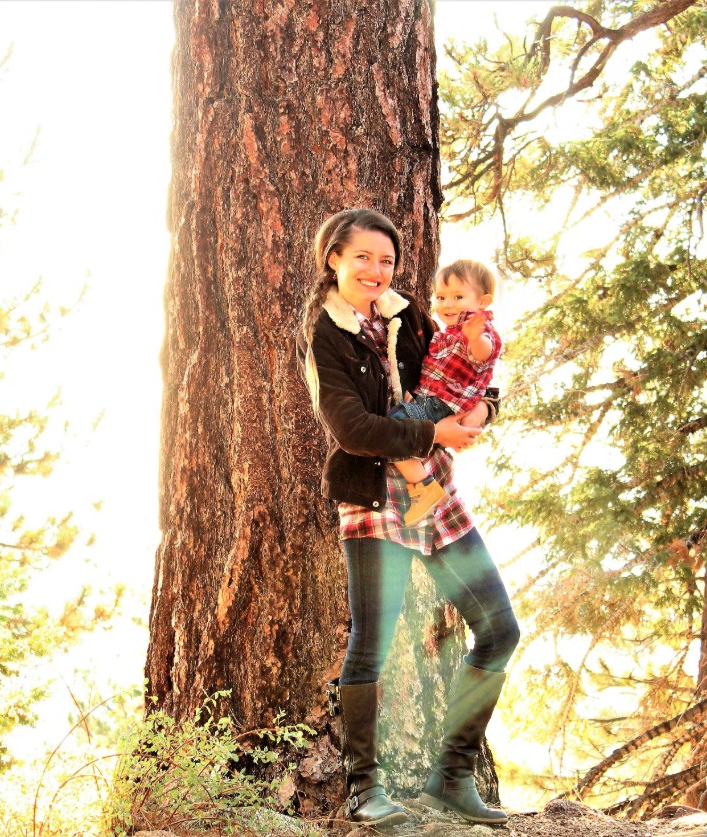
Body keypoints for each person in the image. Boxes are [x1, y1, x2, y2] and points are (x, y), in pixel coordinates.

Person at [297, 208, 520, 827]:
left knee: (499, 630)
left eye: (387, 260)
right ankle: (364, 791)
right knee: (371, 646)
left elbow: (469, 371)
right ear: (334, 259)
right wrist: (434, 433)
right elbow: (352, 429)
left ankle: (452, 777)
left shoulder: (408, 315)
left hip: (434, 493)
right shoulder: (326, 336)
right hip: (374, 498)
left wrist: (484, 411)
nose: (376, 270)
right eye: (362, 257)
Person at [388, 259, 502, 525]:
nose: (448, 304)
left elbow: (483, 354)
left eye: (458, 297)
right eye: (441, 297)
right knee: (399, 426)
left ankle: (423, 487)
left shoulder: (478, 331)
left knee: (395, 430)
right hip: (433, 400)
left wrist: (475, 338)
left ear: (483, 302)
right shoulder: (446, 333)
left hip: (443, 405)